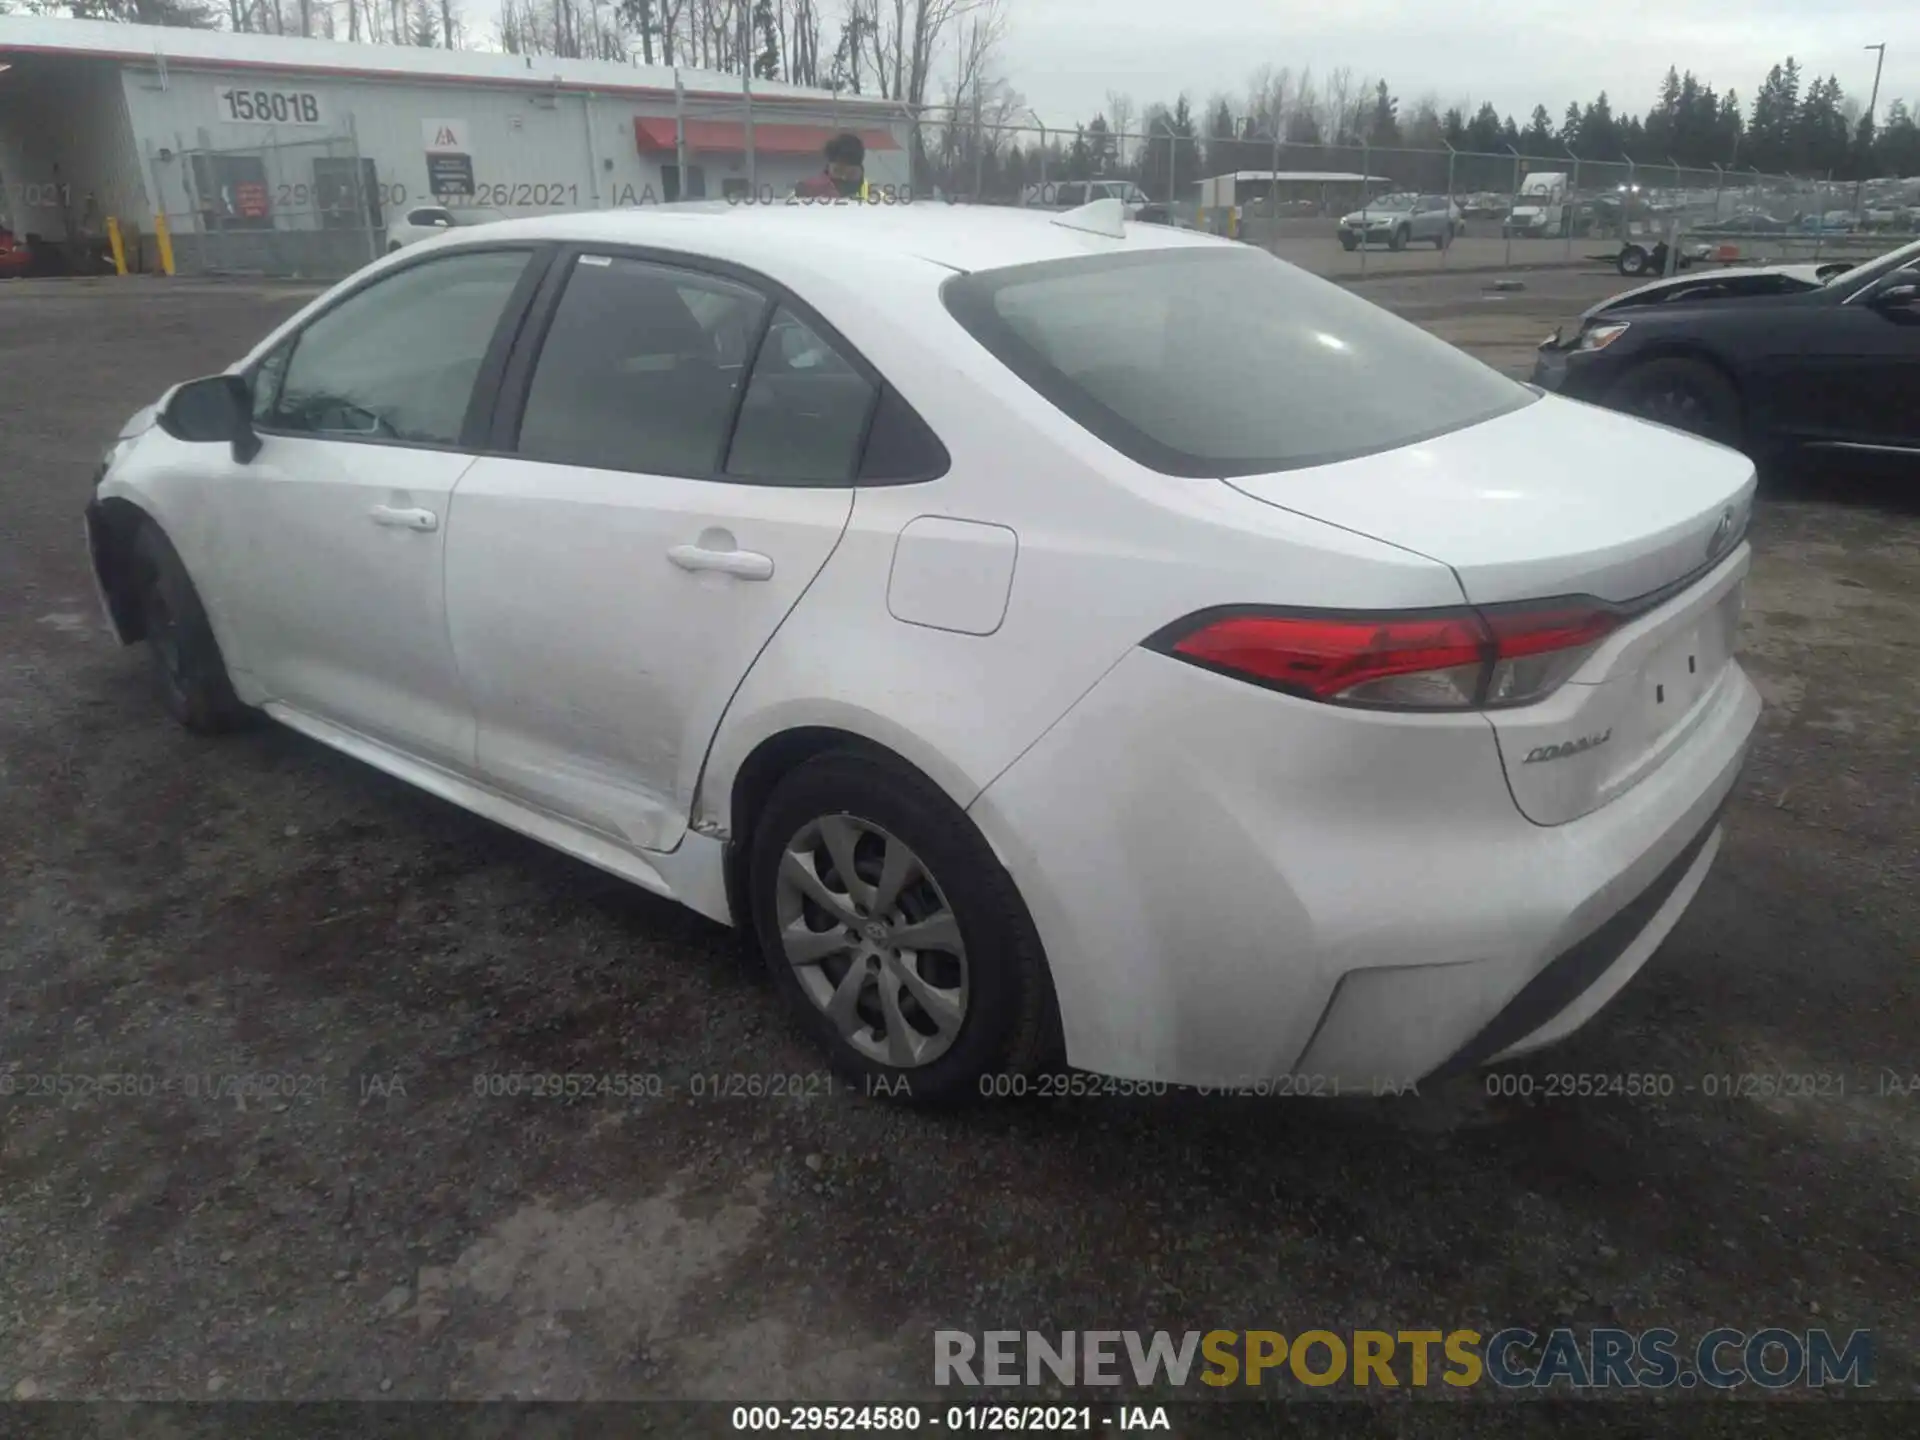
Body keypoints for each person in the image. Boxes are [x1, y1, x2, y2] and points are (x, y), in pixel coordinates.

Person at [793, 133, 869, 201]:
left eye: (851, 174)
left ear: (861, 171)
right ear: (828, 168)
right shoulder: (806, 190)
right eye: (838, 171)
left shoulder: (874, 196)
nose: (844, 178)